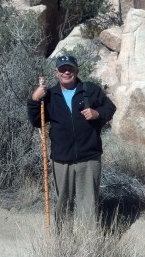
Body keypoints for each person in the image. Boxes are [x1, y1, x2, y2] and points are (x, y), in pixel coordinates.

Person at [27, 55, 116, 229]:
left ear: (77, 71)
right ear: (56, 72)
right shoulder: (50, 95)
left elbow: (110, 108)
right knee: (62, 202)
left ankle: (87, 240)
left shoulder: (89, 90)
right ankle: (63, 241)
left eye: (70, 69)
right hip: (61, 159)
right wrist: (34, 100)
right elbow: (37, 121)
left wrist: (97, 114)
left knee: (88, 202)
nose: (66, 72)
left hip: (89, 157)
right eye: (62, 69)